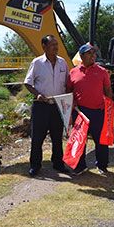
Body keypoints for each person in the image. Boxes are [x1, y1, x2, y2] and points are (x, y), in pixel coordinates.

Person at [24, 35, 69, 177]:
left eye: (57, 44)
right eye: (52, 45)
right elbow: (28, 83)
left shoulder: (63, 63)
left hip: (57, 106)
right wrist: (37, 94)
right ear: (44, 47)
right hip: (41, 106)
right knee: (38, 138)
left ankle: (58, 163)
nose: (56, 47)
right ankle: (35, 166)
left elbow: (68, 83)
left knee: (57, 137)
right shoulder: (37, 63)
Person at [67, 43, 113, 175]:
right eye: (89, 53)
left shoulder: (102, 72)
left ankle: (102, 165)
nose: (93, 56)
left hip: (98, 112)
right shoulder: (73, 72)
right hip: (80, 112)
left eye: (94, 53)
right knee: (80, 140)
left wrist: (108, 107)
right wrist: (72, 105)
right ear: (81, 56)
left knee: (100, 141)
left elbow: (108, 90)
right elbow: (69, 90)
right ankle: (80, 166)